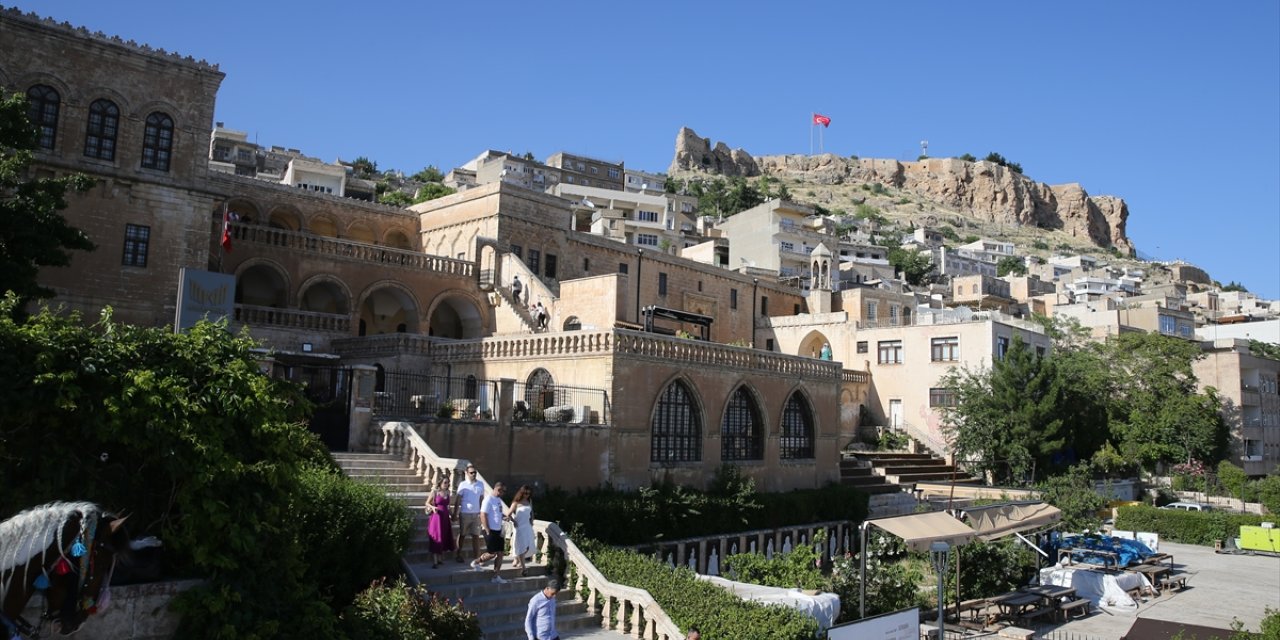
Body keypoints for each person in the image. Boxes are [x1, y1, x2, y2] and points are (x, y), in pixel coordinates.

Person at [471, 482, 508, 582]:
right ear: (497, 489)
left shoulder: (499, 500)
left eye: (504, 491)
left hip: (499, 530)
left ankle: (496, 576)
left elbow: (498, 514)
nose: (503, 493)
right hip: (490, 530)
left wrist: (507, 517)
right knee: (492, 553)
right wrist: (487, 529)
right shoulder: (488, 499)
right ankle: (477, 561)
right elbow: (483, 514)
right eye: (502, 491)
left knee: (500, 553)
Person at [454, 464, 484, 563]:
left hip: (476, 514)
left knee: (476, 536)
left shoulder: (480, 484)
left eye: (475, 472)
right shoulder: (463, 485)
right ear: (466, 473)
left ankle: (477, 558)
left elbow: (481, 499)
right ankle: (458, 554)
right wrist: (455, 513)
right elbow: (458, 500)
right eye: (471, 473)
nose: (473, 474)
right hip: (465, 513)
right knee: (462, 534)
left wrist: (482, 513)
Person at [506, 485, 535, 576]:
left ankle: (517, 559)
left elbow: (531, 512)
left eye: (529, 493)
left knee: (528, 546)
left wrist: (532, 520)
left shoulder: (529, 501)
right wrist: (514, 521)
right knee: (521, 546)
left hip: (527, 526)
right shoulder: (516, 502)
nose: (527, 495)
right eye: (526, 493)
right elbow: (508, 514)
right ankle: (524, 568)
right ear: (522, 492)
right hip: (519, 527)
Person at [426, 477, 455, 568]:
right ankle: (435, 562)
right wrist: (433, 507)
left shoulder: (448, 492)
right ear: (440, 483)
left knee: (443, 537)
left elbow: (448, 506)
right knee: (436, 536)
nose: (447, 484)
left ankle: (439, 559)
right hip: (436, 518)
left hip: (445, 518)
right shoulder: (435, 492)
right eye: (445, 482)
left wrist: (452, 514)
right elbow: (427, 503)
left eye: (448, 483)